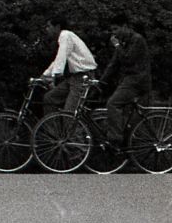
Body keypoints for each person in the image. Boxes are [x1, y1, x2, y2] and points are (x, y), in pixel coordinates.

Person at [101, 13, 153, 143]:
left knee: (113, 104)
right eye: (112, 30)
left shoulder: (137, 39)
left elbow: (128, 59)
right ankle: (127, 141)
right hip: (130, 80)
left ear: (125, 26)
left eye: (116, 29)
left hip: (137, 80)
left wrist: (117, 46)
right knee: (124, 114)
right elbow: (114, 64)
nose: (114, 33)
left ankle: (116, 139)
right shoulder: (124, 42)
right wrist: (101, 81)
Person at [35, 17, 98, 117]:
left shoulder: (65, 35)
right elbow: (58, 59)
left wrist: (53, 76)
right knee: (49, 98)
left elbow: (61, 57)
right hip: (74, 77)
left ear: (57, 27)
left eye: (49, 26)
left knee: (69, 113)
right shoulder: (66, 37)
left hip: (82, 77)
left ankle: (73, 132)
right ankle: (53, 132)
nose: (47, 29)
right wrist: (45, 75)